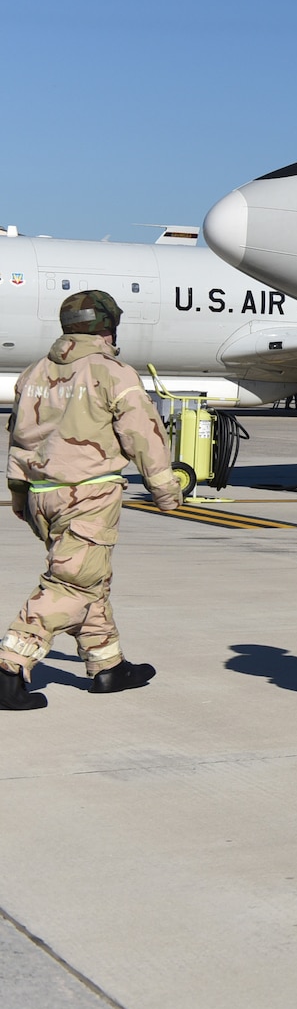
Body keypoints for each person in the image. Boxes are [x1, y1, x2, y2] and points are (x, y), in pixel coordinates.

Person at [1, 291, 180, 711]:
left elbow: (17, 436)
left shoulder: (34, 373)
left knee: (89, 580)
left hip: (42, 497)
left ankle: (107, 668)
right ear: (108, 327)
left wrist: (18, 493)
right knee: (71, 584)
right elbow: (143, 433)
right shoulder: (112, 372)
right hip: (89, 493)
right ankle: (9, 668)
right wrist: (165, 491)